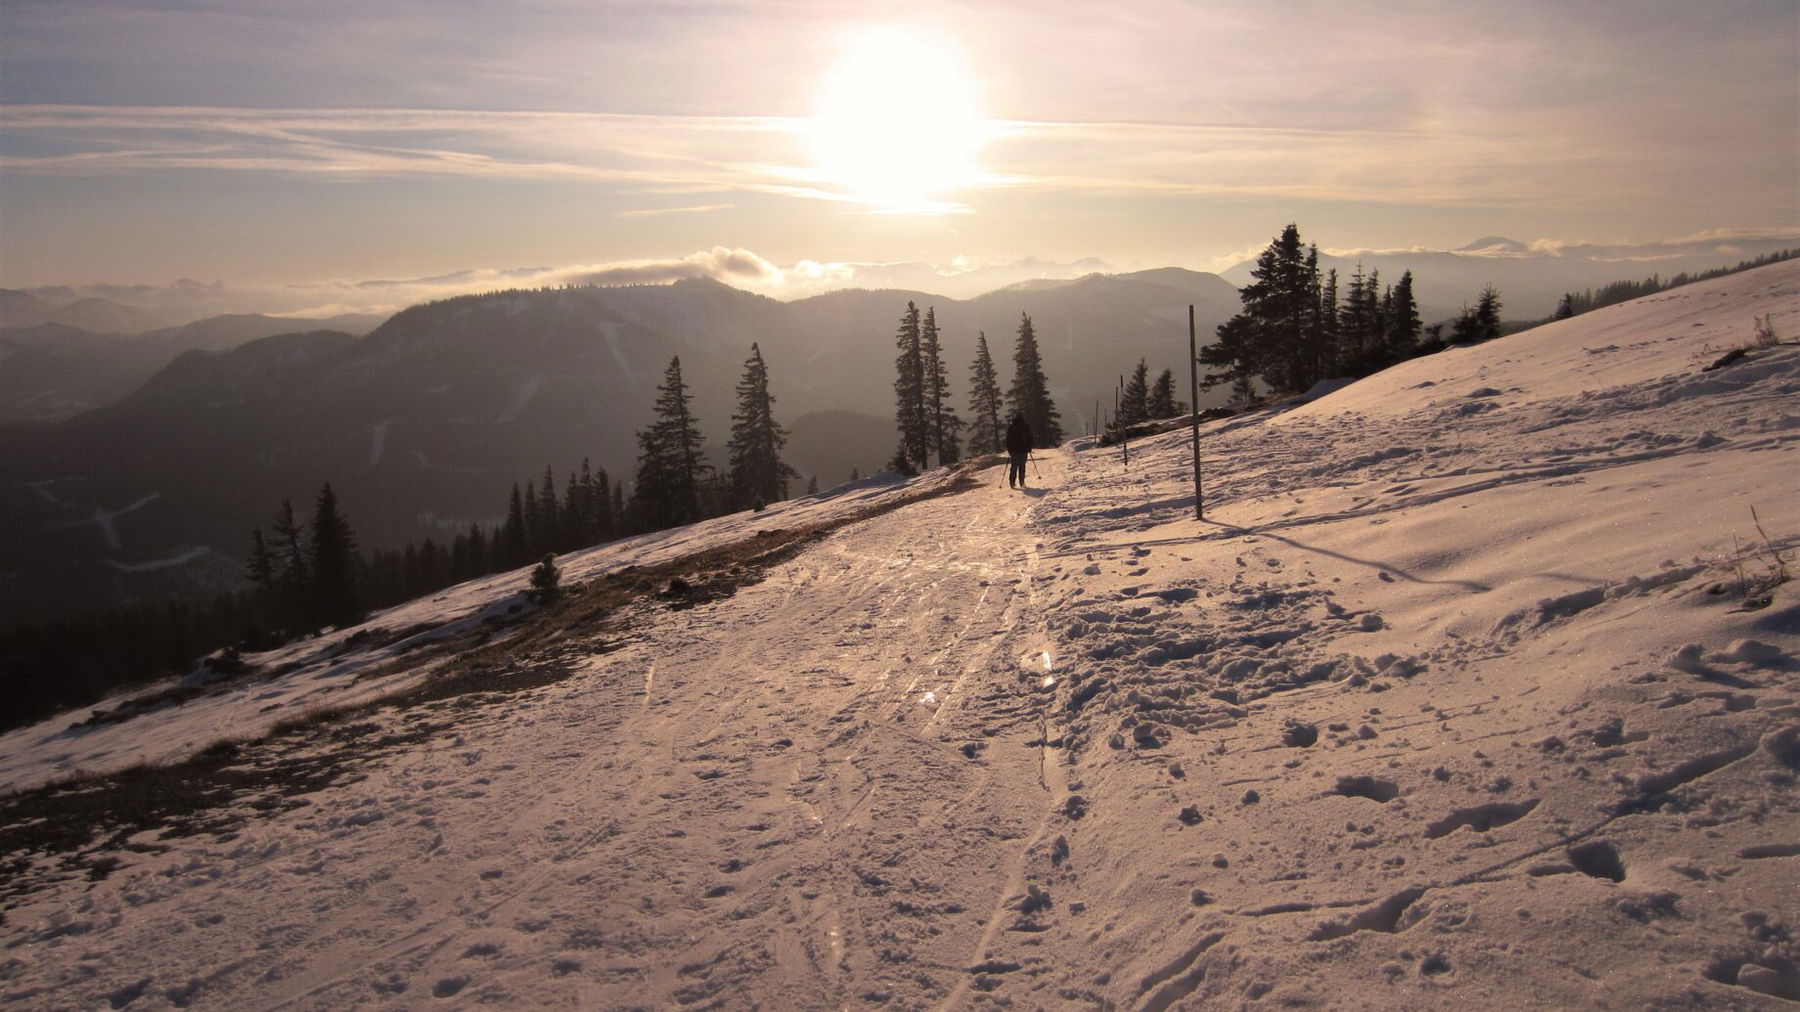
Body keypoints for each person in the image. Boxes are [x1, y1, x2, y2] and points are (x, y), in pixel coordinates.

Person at [1004, 412, 1033, 488]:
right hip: (1023, 450)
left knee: (1014, 467)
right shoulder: (1026, 426)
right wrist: (1029, 448)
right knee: (1022, 467)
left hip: (1014, 450)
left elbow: (1008, 439)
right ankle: (1022, 482)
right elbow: (1030, 438)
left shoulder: (1012, 426)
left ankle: (1012, 482)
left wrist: (1009, 449)